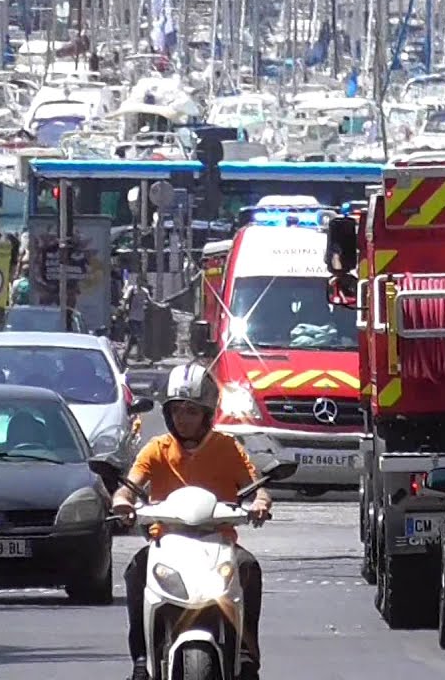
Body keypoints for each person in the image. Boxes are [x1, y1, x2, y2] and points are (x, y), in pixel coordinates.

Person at [110, 363, 272, 680]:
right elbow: (129, 486)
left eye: (191, 411)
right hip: (167, 543)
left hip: (218, 542)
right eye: (177, 410)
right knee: (136, 570)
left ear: (207, 414)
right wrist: (122, 502)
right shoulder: (156, 449)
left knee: (248, 567)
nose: (183, 419)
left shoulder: (228, 448)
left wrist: (260, 504)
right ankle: (142, 658)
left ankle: (245, 656)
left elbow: (256, 488)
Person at [121, 279, 151, 364]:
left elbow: (149, 301)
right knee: (138, 337)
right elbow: (125, 301)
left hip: (141, 318)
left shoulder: (145, 291)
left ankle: (126, 357)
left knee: (134, 339)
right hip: (132, 318)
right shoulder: (131, 289)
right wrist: (124, 312)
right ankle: (140, 356)